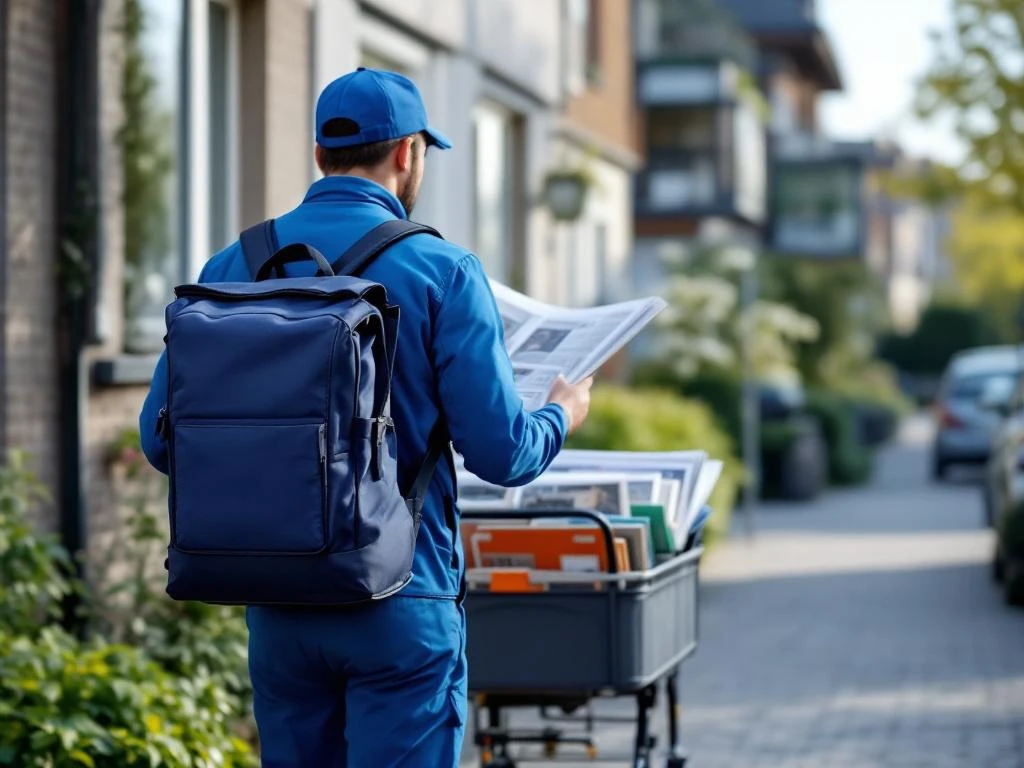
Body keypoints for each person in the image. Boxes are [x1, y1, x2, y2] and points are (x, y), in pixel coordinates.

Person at [138, 66, 592, 768]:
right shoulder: (443, 269)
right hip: (401, 594)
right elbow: (504, 454)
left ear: (320, 153)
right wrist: (560, 414)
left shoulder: (232, 265)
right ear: (408, 153)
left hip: (279, 604)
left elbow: (159, 439)